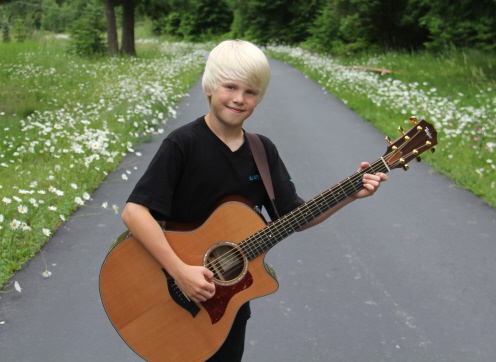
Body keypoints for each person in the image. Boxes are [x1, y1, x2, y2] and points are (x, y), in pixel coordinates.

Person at [121, 39, 388, 362]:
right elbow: (135, 212)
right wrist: (179, 271)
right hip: (173, 287)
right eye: (230, 87)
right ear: (209, 87)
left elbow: (295, 215)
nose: (239, 99)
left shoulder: (262, 151)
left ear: (259, 98)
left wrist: (351, 195)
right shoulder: (183, 144)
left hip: (229, 304)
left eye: (250, 92)